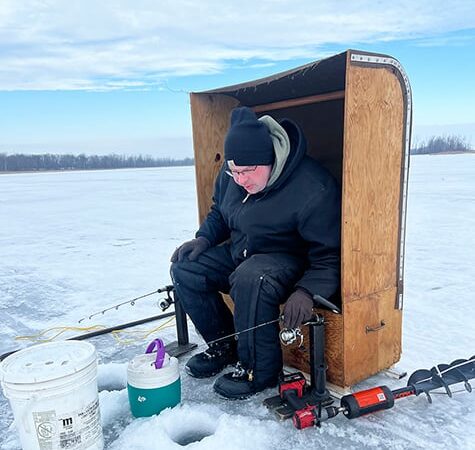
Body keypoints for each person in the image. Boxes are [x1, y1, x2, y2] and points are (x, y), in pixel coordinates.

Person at [170, 106, 340, 399]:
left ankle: (258, 371)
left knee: (252, 277)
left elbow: (329, 255)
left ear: (271, 158)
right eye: (235, 171)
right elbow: (221, 213)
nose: (241, 179)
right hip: (243, 255)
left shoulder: (313, 187)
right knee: (186, 268)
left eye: (249, 171)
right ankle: (225, 345)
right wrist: (204, 239)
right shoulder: (232, 175)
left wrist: (307, 292)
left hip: (288, 263)